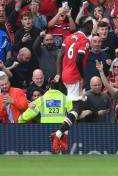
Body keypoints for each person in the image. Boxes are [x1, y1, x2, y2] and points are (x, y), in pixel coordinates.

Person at [50, 21, 92, 153]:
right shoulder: (84, 40)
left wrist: (58, 73)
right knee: (78, 108)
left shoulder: (69, 37)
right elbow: (79, 59)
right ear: (89, 27)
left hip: (65, 74)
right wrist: (82, 77)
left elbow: (60, 55)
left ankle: (64, 137)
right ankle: (57, 135)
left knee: (76, 107)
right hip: (74, 75)